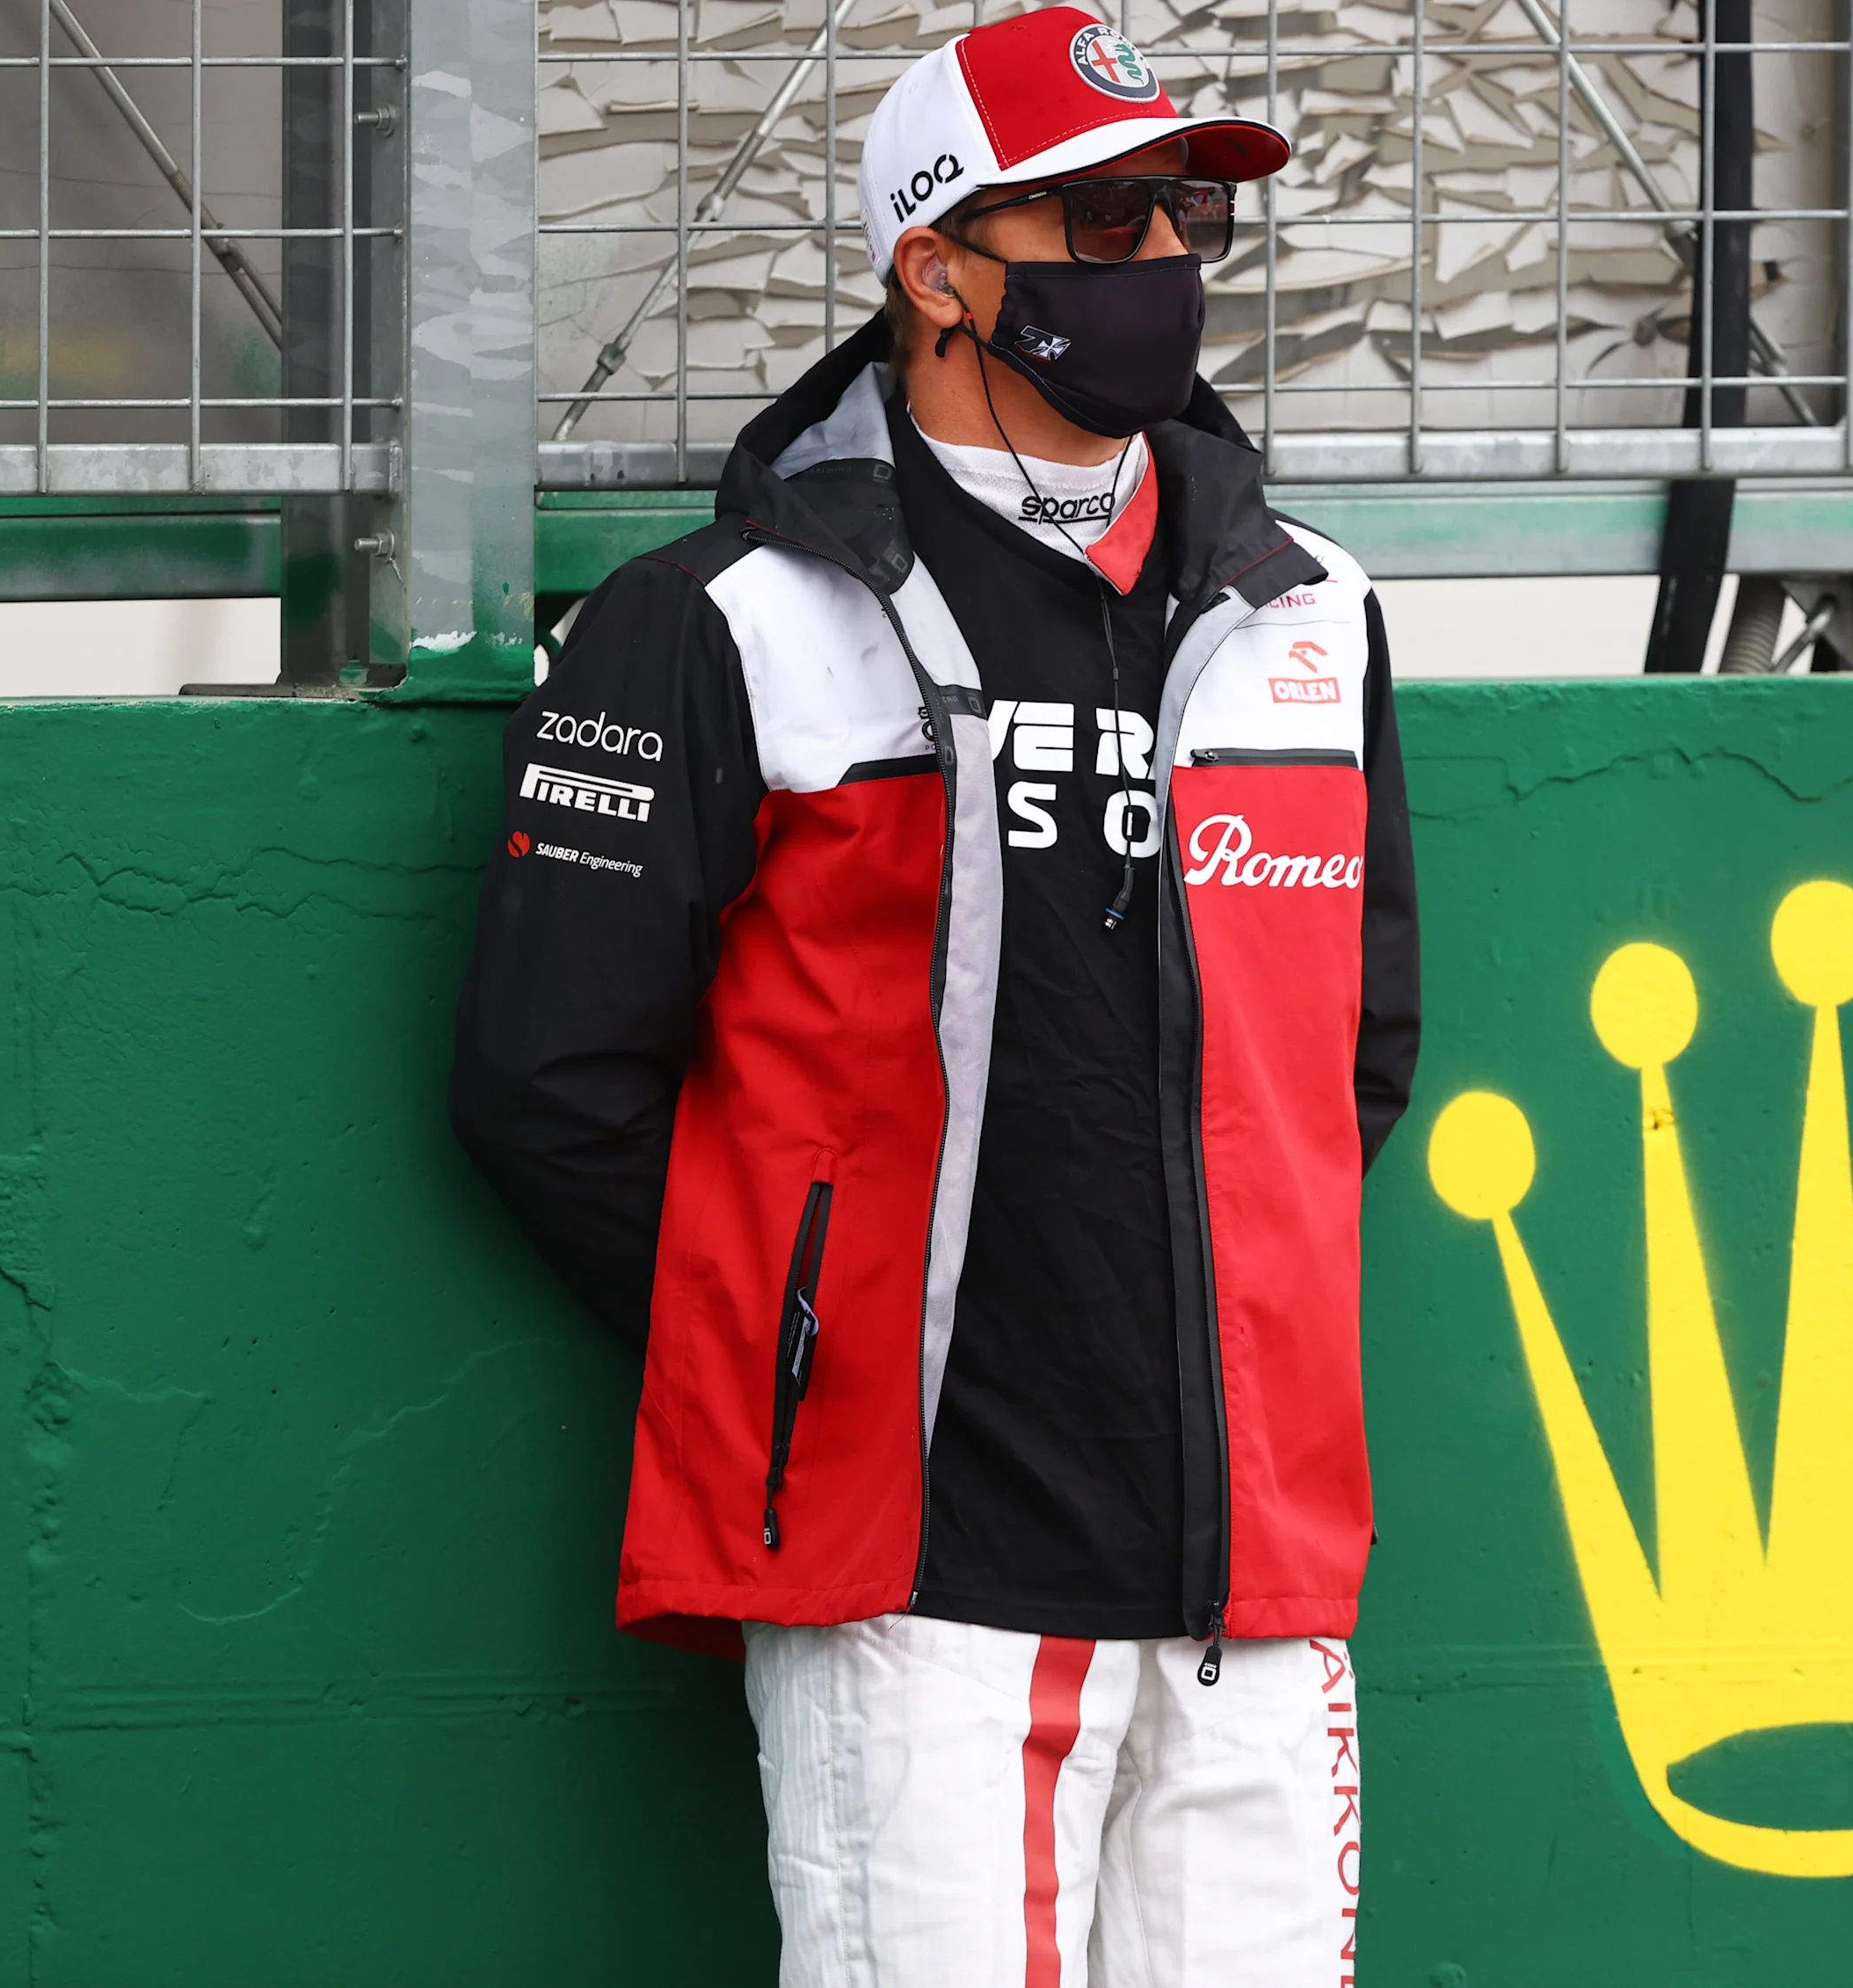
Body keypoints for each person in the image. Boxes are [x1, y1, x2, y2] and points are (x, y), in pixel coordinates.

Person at [449, 9, 1416, 1983]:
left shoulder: (1310, 610)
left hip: (1258, 1567)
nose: (1158, 268)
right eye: (1102, 218)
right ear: (933, 266)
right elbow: (549, 1083)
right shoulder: (715, 620)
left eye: (1186, 223)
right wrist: (814, 1347)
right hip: (913, 1587)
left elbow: (1355, 1054)